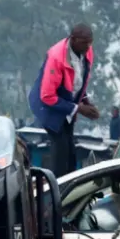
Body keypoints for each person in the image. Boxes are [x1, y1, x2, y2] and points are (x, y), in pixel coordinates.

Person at [29, 22, 100, 177]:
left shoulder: (87, 51)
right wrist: (79, 108)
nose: (88, 47)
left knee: (71, 154)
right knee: (60, 154)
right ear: (73, 39)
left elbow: (78, 81)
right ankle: (58, 187)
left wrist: (85, 100)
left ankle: (70, 183)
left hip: (67, 104)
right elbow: (47, 96)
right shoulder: (56, 58)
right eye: (84, 43)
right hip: (48, 106)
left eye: (90, 43)